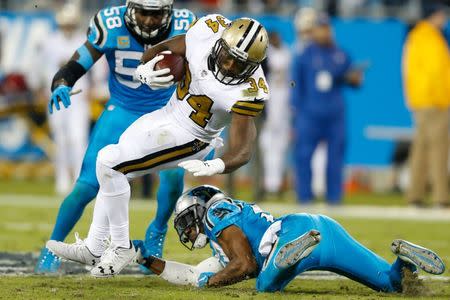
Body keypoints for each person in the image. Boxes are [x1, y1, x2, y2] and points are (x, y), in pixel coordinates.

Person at [47, 15, 270, 277]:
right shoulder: (207, 31)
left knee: (112, 164)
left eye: (242, 63)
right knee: (107, 160)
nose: (231, 65)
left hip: (193, 137)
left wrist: (215, 163)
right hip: (167, 114)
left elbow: (243, 150)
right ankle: (95, 246)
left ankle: (120, 247)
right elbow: (161, 49)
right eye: (230, 56)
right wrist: (146, 68)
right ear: (220, 41)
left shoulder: (250, 90)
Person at [36, 0, 196, 273]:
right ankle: (52, 246)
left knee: (173, 176)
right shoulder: (110, 24)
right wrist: (62, 83)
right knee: (86, 185)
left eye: (156, 14)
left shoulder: (186, 25)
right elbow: (79, 62)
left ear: (168, 11)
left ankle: (156, 232)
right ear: (130, 8)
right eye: (143, 12)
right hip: (122, 109)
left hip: (167, 112)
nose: (148, 21)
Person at [135, 184, 445, 292]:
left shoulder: (217, 214)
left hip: (291, 237)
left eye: (188, 222)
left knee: (264, 284)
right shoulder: (220, 244)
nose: (188, 232)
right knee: (392, 284)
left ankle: (289, 256)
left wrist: (211, 283)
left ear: (200, 210)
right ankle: (404, 259)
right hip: (321, 227)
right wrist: (147, 260)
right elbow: (190, 275)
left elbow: (243, 264)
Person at [290, 13, 363, 205]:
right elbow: (295, 85)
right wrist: (295, 112)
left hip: (335, 113)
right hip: (309, 113)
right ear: (314, 31)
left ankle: (334, 198)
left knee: (335, 157)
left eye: (327, 28)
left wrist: (355, 80)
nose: (324, 32)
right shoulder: (304, 55)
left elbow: (352, 79)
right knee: (304, 156)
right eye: (320, 28)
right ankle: (304, 197)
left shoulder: (341, 54)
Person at [402, 3, 450, 208]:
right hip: (434, 101)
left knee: (421, 148)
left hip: (422, 101)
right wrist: (442, 99)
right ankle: (441, 197)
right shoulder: (430, 38)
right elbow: (436, 74)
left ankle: (415, 194)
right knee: (439, 149)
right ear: (435, 15)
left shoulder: (417, 36)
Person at [41, 4, 90, 196]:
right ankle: (62, 178)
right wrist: (41, 87)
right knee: (60, 139)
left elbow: (97, 69)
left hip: (79, 95)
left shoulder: (82, 41)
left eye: (70, 24)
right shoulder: (50, 42)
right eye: (65, 24)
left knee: (78, 139)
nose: (68, 27)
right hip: (55, 96)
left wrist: (96, 87)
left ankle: (79, 178)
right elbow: (42, 68)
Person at [259, 31, 291, 196]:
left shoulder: (287, 52)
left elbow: (291, 82)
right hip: (269, 105)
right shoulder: (265, 54)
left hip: (283, 106)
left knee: (281, 147)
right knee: (266, 145)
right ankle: (269, 183)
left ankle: (277, 184)